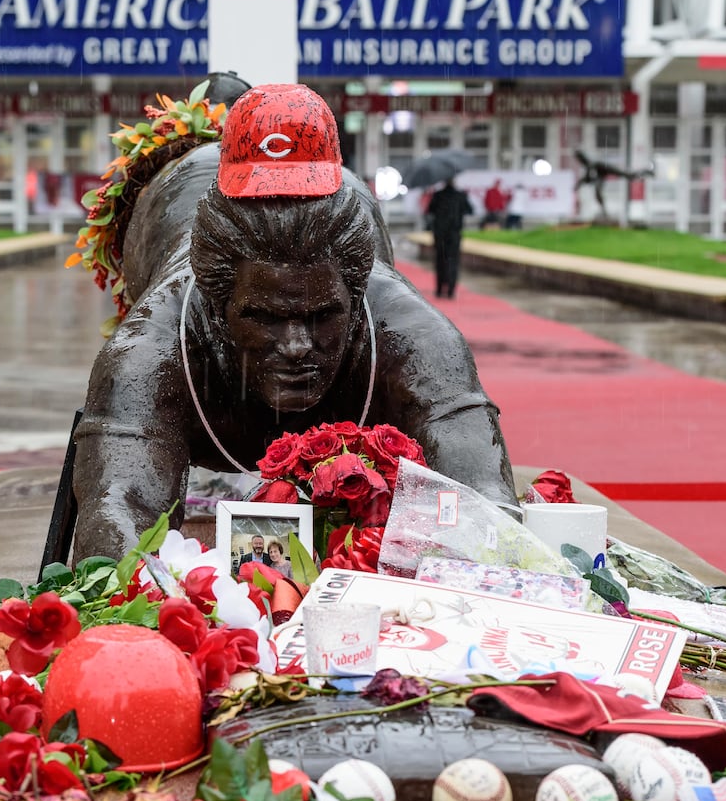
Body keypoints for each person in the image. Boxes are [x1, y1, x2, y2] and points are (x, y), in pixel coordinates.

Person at [71, 83, 518, 558]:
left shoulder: (415, 337)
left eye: (323, 315)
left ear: (358, 287)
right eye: (264, 318)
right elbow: (117, 514)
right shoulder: (149, 349)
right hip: (166, 217)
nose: (298, 345)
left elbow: (487, 509)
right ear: (217, 306)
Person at [574, 149, 653, 223]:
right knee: (598, 192)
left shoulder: (591, 165)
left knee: (629, 176)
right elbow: (588, 178)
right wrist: (579, 184)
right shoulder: (590, 166)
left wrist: (579, 184)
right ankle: (604, 212)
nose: (579, 161)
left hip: (607, 168)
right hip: (601, 174)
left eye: (579, 159)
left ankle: (647, 171)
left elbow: (589, 177)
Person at [426, 178, 472, 299]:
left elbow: (429, 210)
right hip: (454, 234)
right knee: (453, 261)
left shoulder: (438, 195)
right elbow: (469, 210)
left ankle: (440, 289)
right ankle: (451, 290)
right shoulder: (460, 195)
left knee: (440, 260)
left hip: (440, 234)